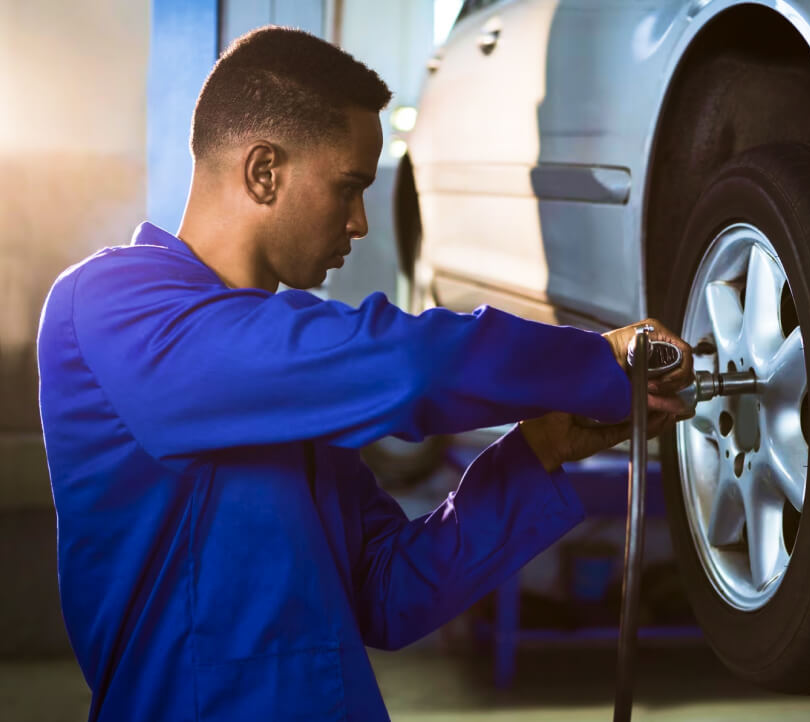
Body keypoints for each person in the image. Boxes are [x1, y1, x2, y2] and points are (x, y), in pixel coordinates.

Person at [37, 26, 693, 722]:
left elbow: (387, 594)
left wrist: (537, 453)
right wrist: (590, 362)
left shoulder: (286, 383)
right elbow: (413, 365)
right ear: (264, 172)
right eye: (348, 188)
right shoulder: (109, 306)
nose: (359, 223)